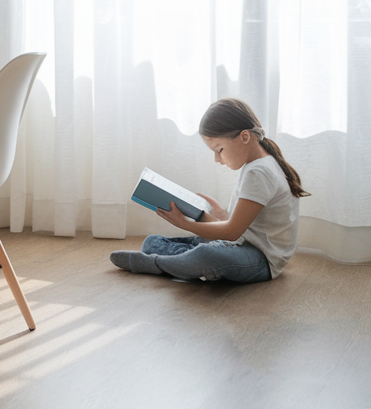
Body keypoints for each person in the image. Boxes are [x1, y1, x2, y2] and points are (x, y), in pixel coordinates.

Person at [110, 98, 309, 282]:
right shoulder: (259, 165)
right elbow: (238, 228)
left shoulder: (259, 172)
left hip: (260, 259)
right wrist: (215, 215)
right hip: (239, 246)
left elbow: (232, 232)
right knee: (152, 242)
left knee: (206, 256)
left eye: (219, 150)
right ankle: (179, 262)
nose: (217, 159)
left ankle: (157, 264)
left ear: (245, 137)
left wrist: (186, 225)